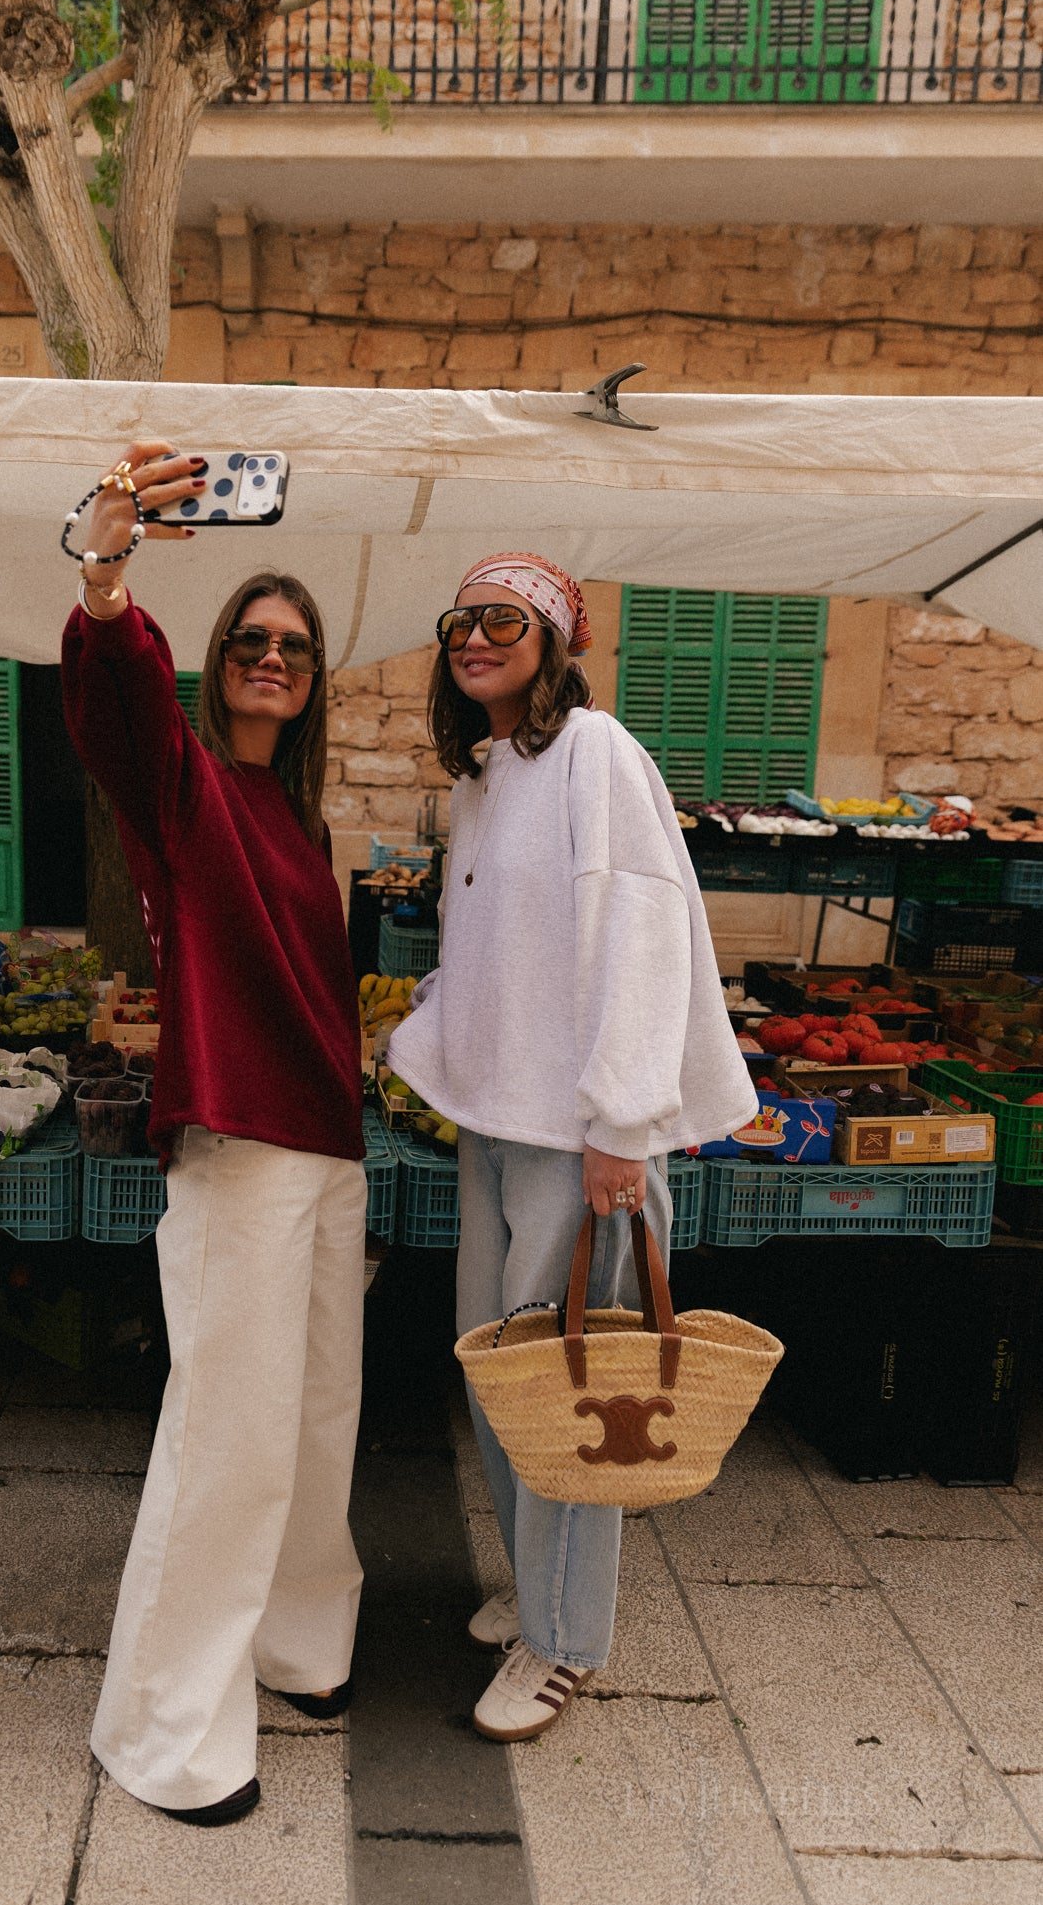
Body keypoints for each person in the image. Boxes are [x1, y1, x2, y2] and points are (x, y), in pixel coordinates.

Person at [387, 553, 756, 1742]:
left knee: (585, 1389)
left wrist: (621, 1124)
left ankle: (564, 1641)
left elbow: (640, 929)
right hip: (497, 1125)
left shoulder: (595, 751)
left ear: (552, 640)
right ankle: (535, 1587)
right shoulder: (487, 776)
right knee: (506, 1382)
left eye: (504, 620)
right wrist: (423, 1039)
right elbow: (492, 950)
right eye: (461, 619)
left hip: (581, 1141)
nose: (475, 637)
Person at [61, 443, 368, 1827]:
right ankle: (165, 1734)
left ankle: (300, 1643)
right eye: (250, 639)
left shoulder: (303, 821)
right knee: (228, 1433)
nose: (271, 657)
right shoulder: (181, 787)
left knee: (314, 1416)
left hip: (324, 1142)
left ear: (313, 681)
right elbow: (116, 700)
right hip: (239, 1141)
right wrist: (107, 575)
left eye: (293, 646)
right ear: (217, 663)